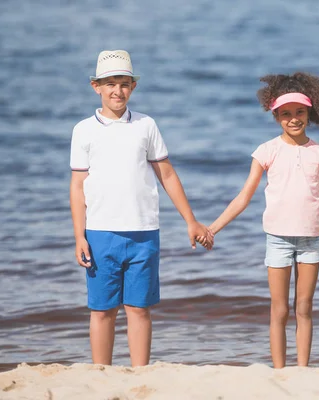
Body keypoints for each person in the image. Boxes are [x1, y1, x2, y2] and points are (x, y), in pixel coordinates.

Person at [69, 50, 213, 367]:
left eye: (123, 83)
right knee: (103, 310)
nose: (116, 90)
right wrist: (79, 236)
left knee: (139, 309)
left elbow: (167, 174)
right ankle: (100, 374)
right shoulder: (84, 130)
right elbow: (77, 186)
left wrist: (191, 220)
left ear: (133, 86)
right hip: (100, 233)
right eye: (109, 83)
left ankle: (141, 375)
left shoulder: (146, 125)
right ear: (96, 86)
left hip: (144, 233)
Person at [207, 72, 319, 368]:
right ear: (276, 115)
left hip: (311, 241)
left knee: (303, 308)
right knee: (279, 310)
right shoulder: (266, 151)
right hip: (277, 240)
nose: (294, 119)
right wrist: (212, 228)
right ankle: (279, 372)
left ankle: (302, 370)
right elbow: (243, 197)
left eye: (300, 112)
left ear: (310, 112)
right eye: (287, 114)